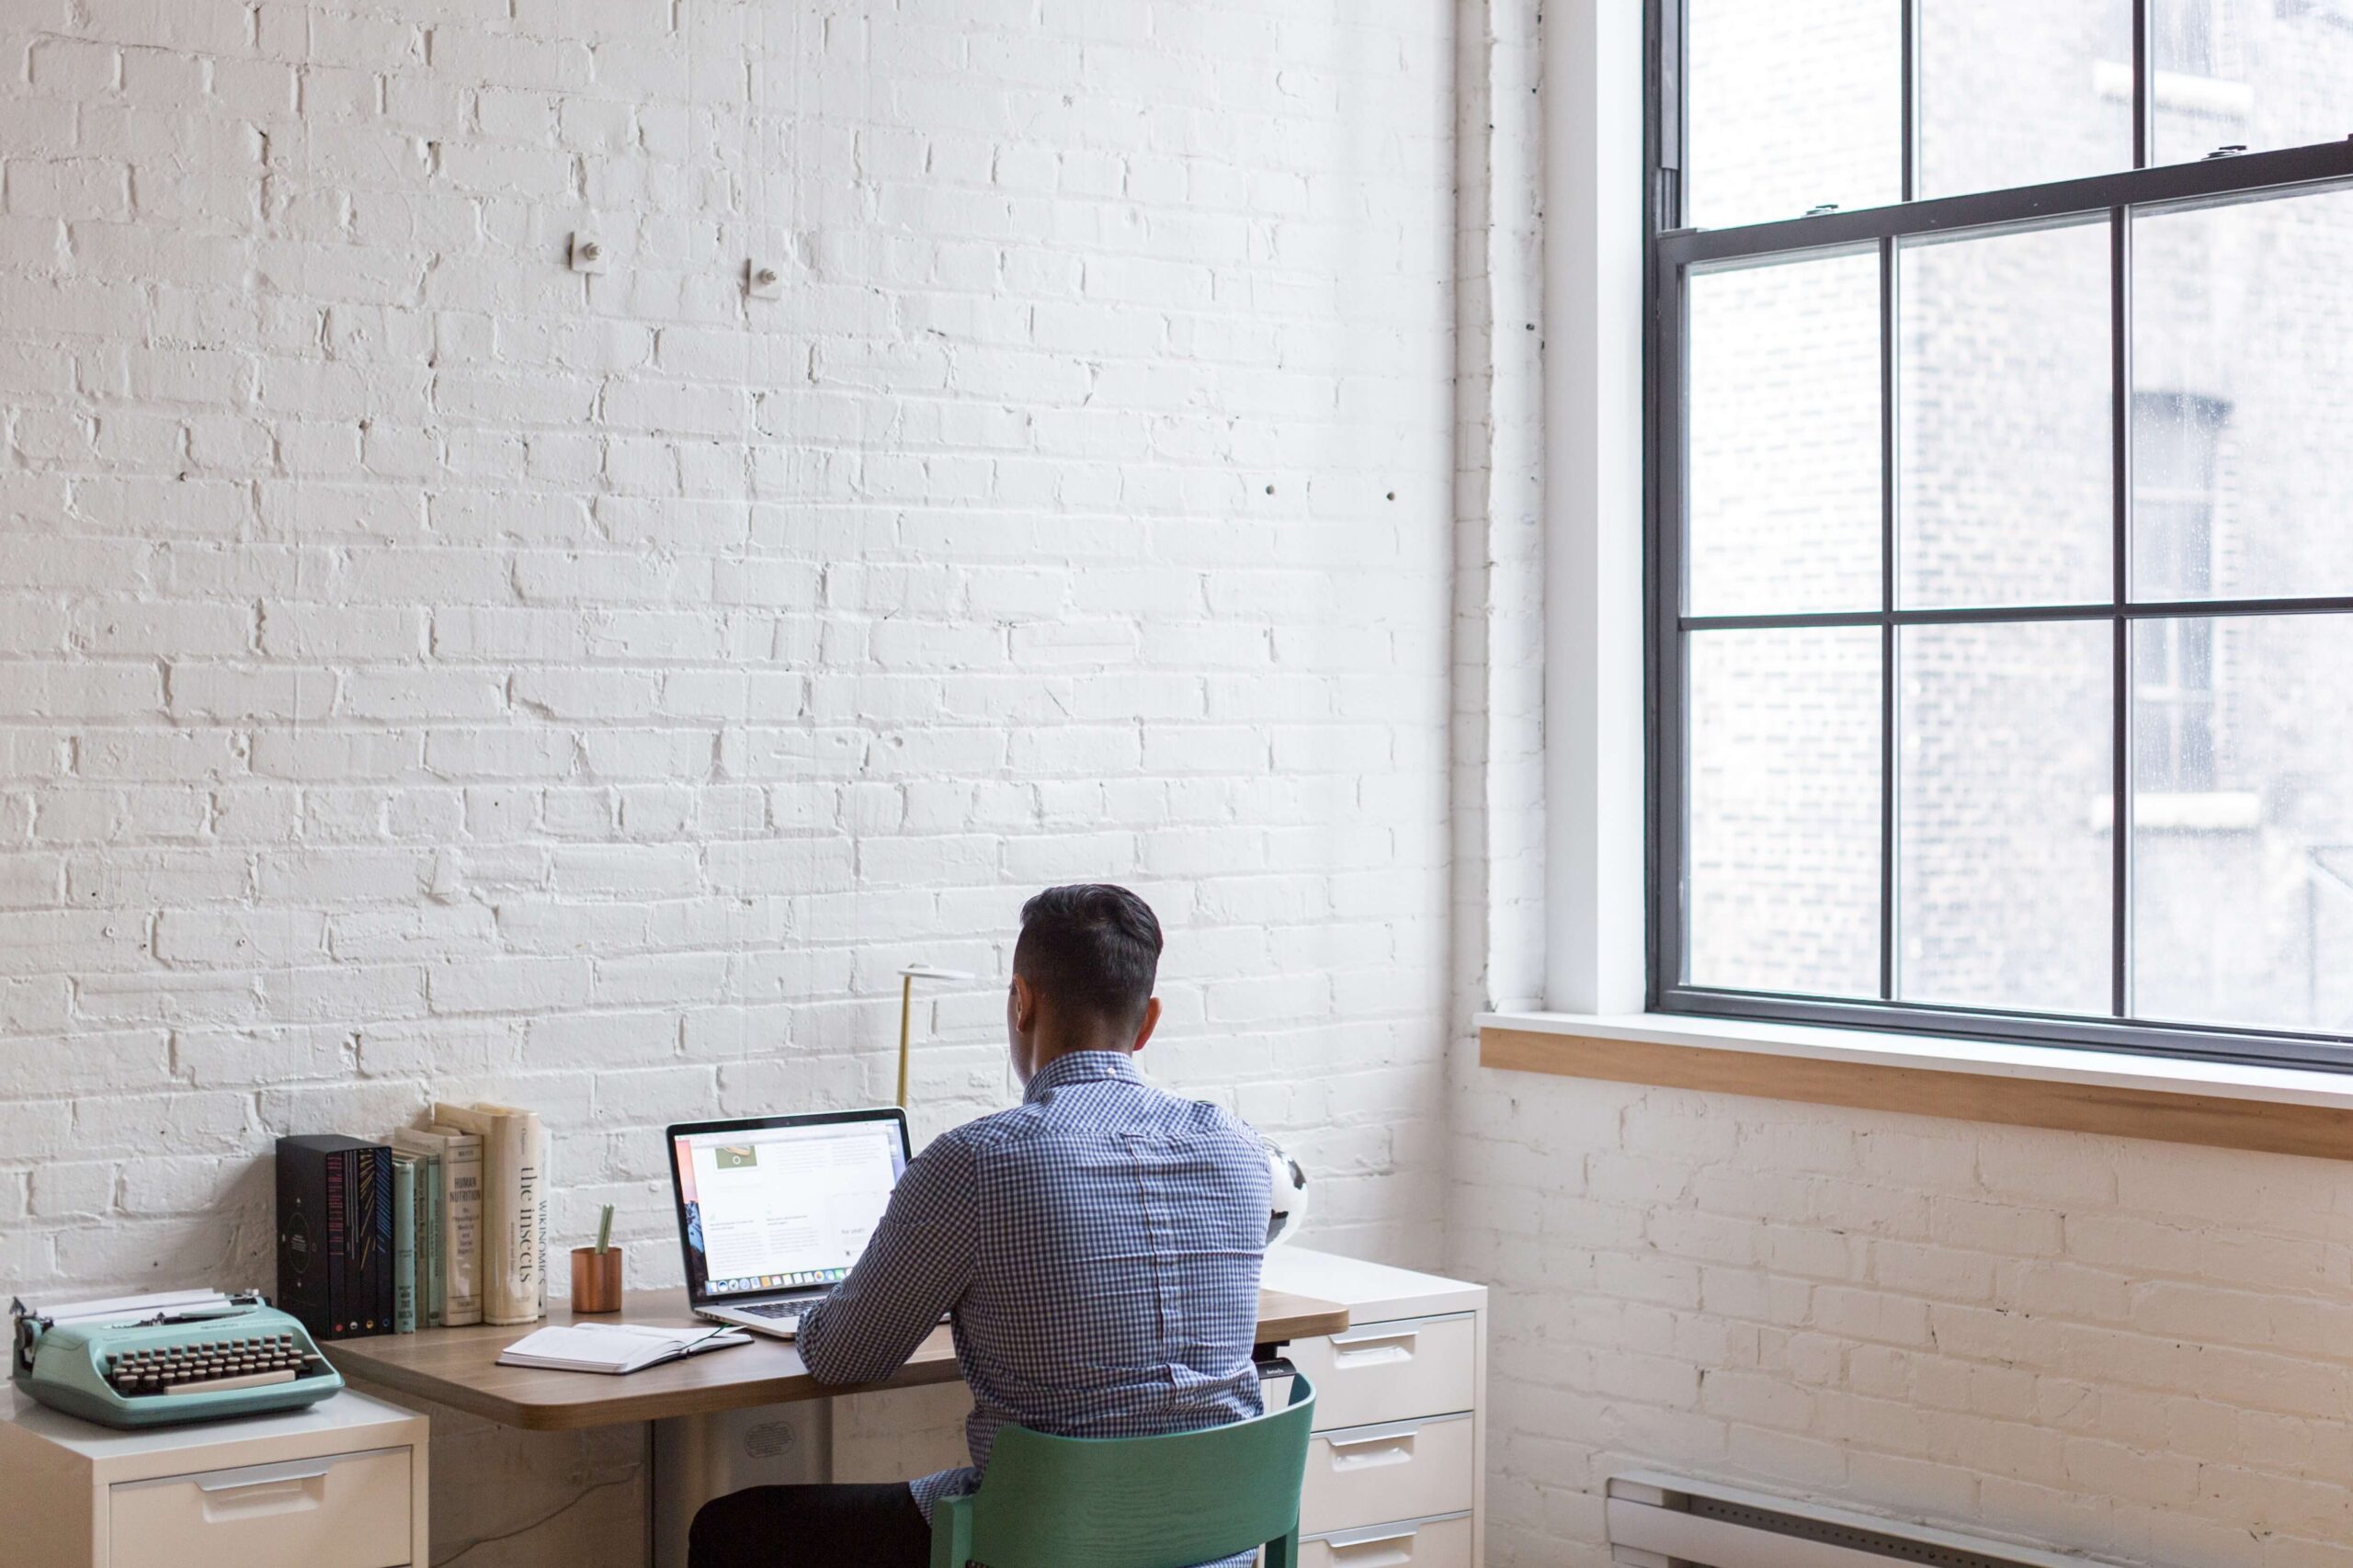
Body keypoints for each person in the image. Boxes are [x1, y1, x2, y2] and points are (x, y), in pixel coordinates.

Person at [688, 883, 1274, 1568]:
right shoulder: (1240, 1150)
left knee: (732, 1529)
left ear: (1022, 1002)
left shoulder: (978, 1162)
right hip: (1216, 1544)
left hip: (1042, 1544)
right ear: (1147, 1023)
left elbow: (844, 1357)